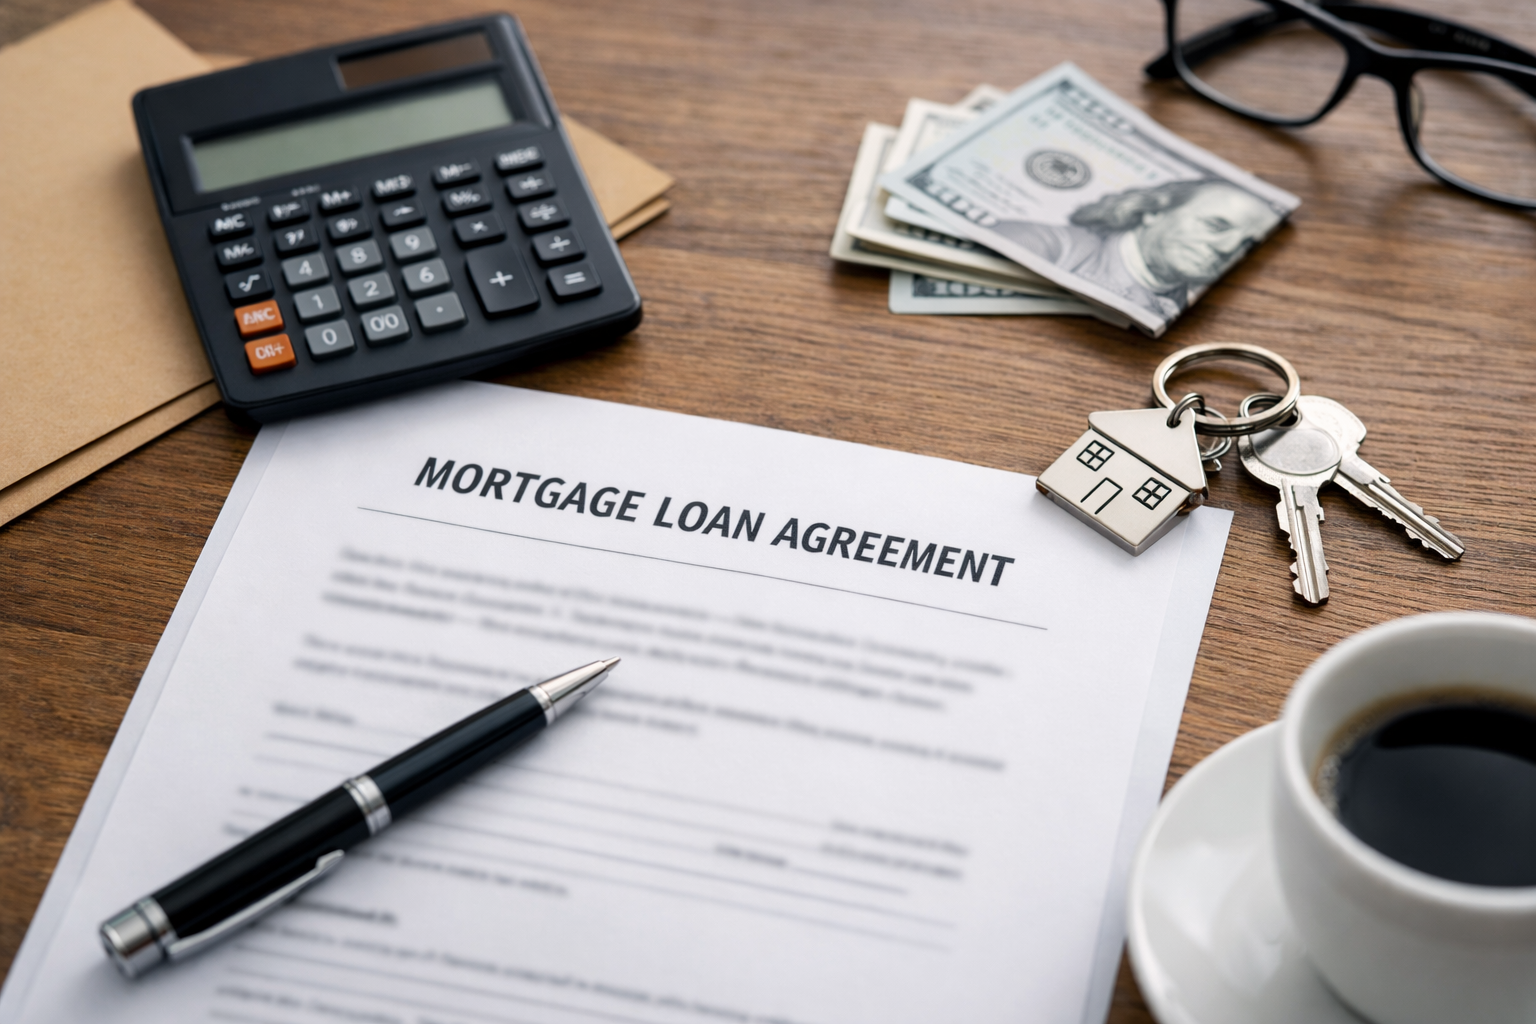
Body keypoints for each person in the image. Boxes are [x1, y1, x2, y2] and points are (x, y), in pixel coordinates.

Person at [994, 179, 1282, 321]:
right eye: (1216, 226)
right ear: (1155, 211)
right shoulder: (1039, 242)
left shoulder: (1182, 306)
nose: (1229, 249)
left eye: (1247, 243)